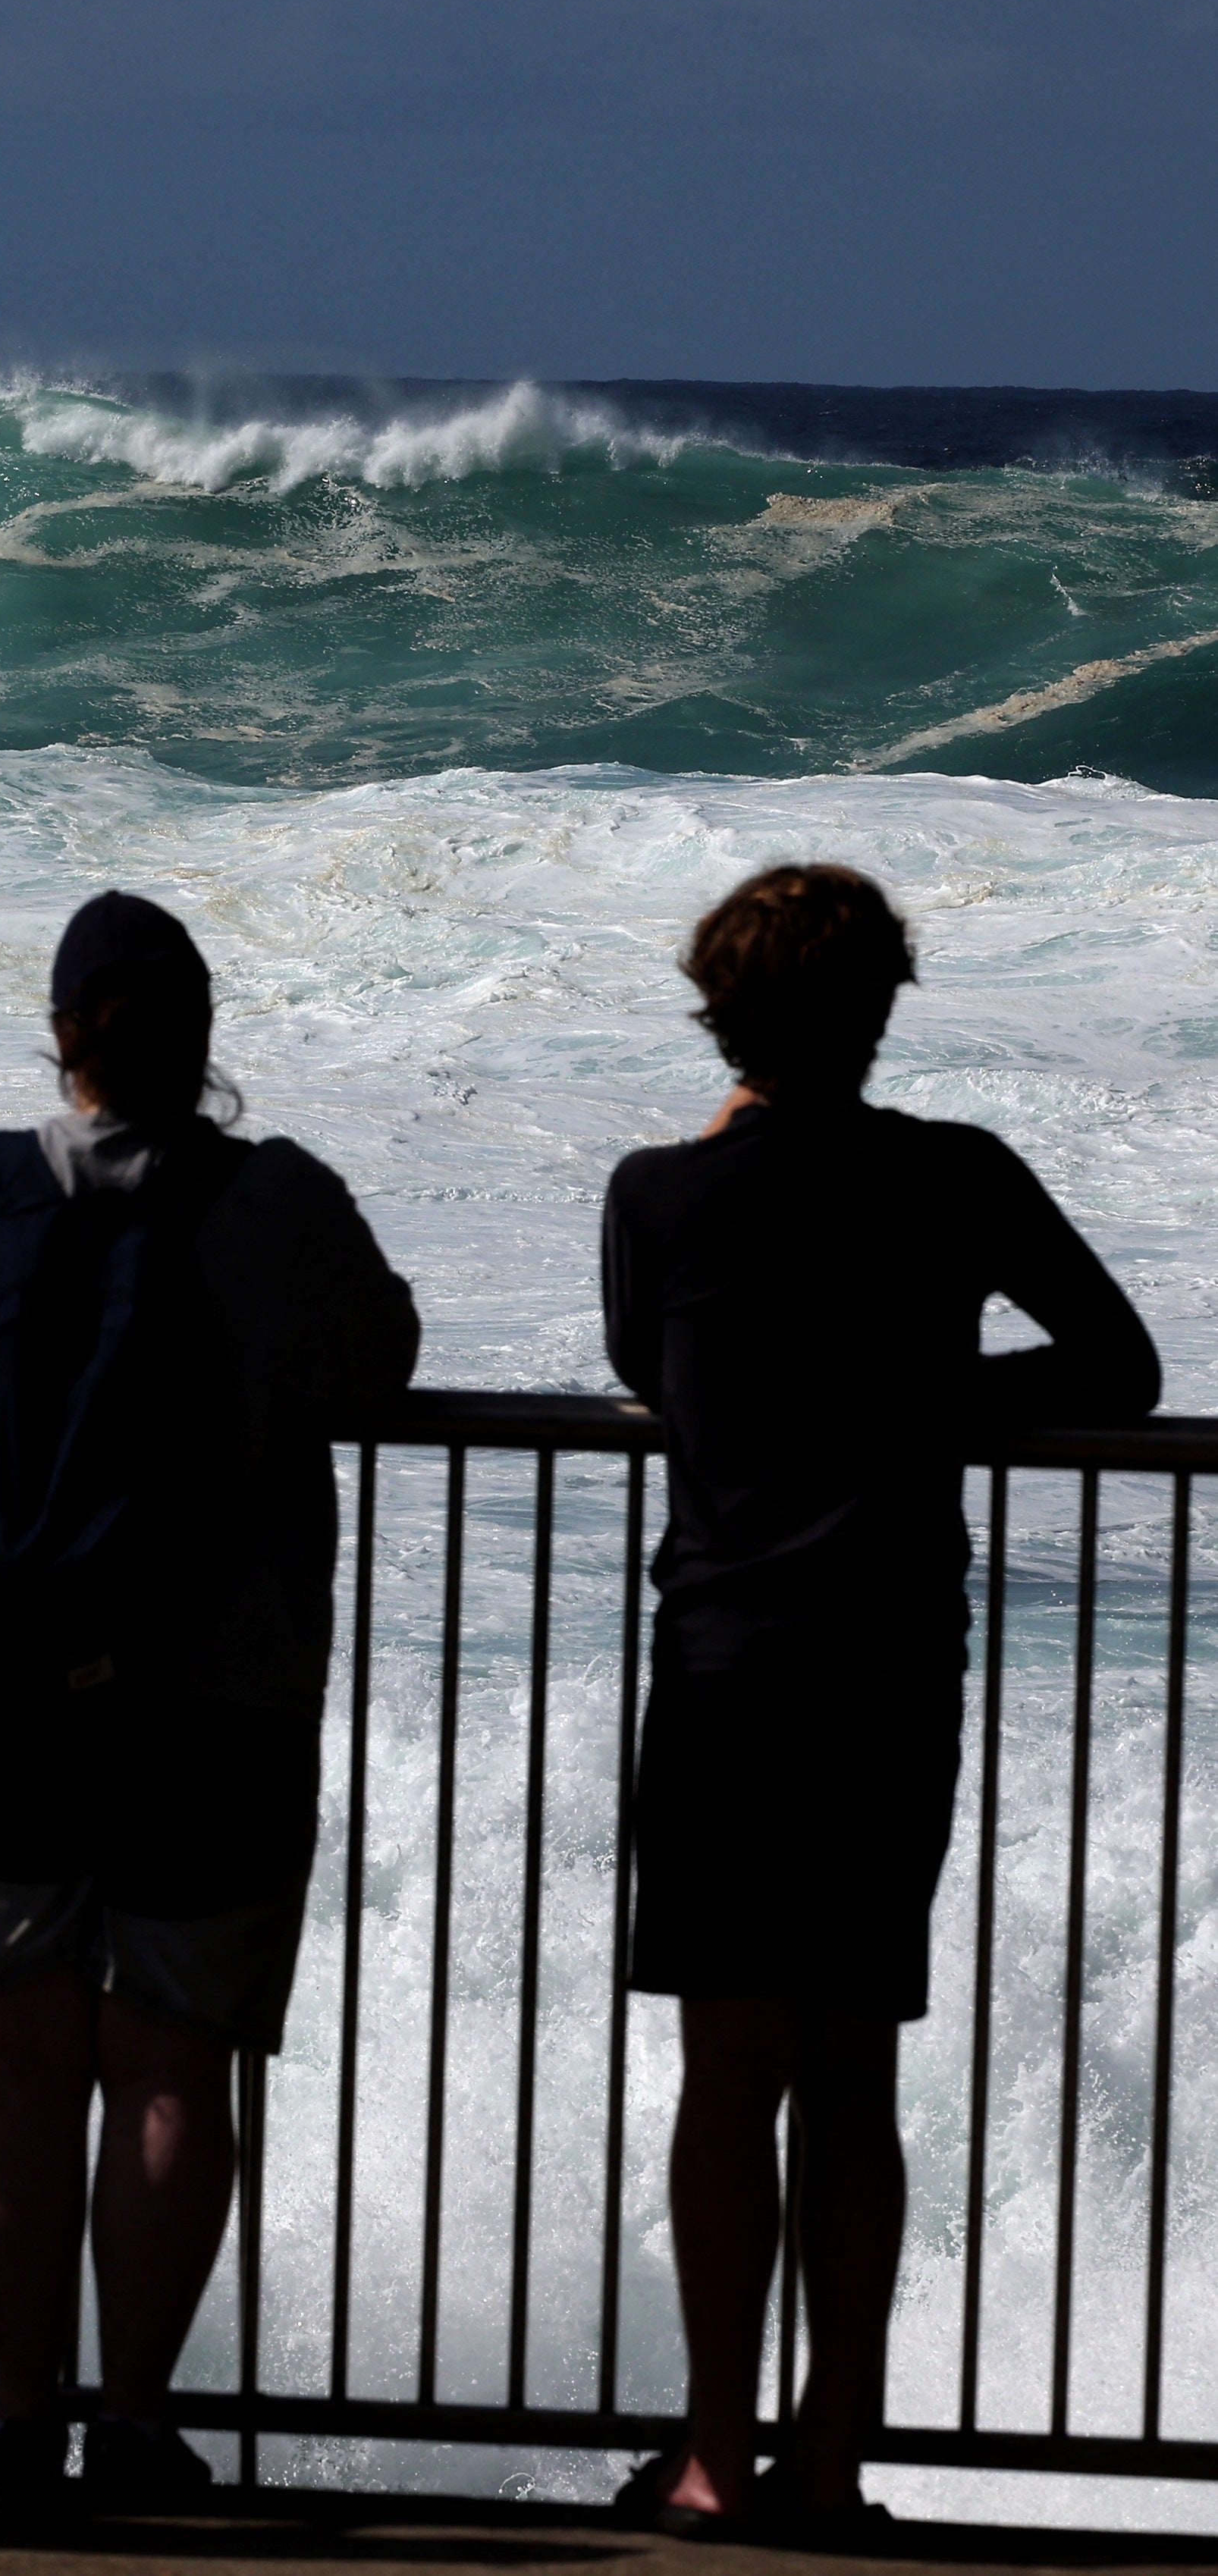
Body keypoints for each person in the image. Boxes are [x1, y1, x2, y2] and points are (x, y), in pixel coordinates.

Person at [602, 864, 1154, 2537]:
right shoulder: (950, 1176)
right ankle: (831, 2454)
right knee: (851, 2065)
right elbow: (1115, 1371)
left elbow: (650, 1370)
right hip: (887, 1656)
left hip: (718, 1658)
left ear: (718, 1012)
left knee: (727, 2067)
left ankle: (706, 2451)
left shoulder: (656, 1195)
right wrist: (928, 1397)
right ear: (882, 1008)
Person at [0, 890, 418, 2510]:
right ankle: (131, 2421)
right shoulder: (282, 1199)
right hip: (213, 1687)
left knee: (17, 2057)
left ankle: (17, 2419)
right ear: (202, 1037)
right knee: (169, 2062)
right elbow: (374, 1362)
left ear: (61, 1034)